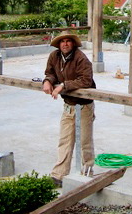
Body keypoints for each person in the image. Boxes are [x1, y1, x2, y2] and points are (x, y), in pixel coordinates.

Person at [42, 31, 96, 186]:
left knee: (84, 142)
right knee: (65, 140)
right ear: (58, 44)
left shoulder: (81, 58)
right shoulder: (54, 56)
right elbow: (50, 72)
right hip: (68, 105)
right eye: (62, 41)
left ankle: (86, 173)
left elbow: (86, 80)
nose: (65, 44)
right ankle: (59, 175)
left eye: (68, 41)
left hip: (84, 105)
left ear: (73, 43)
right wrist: (47, 81)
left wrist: (63, 85)